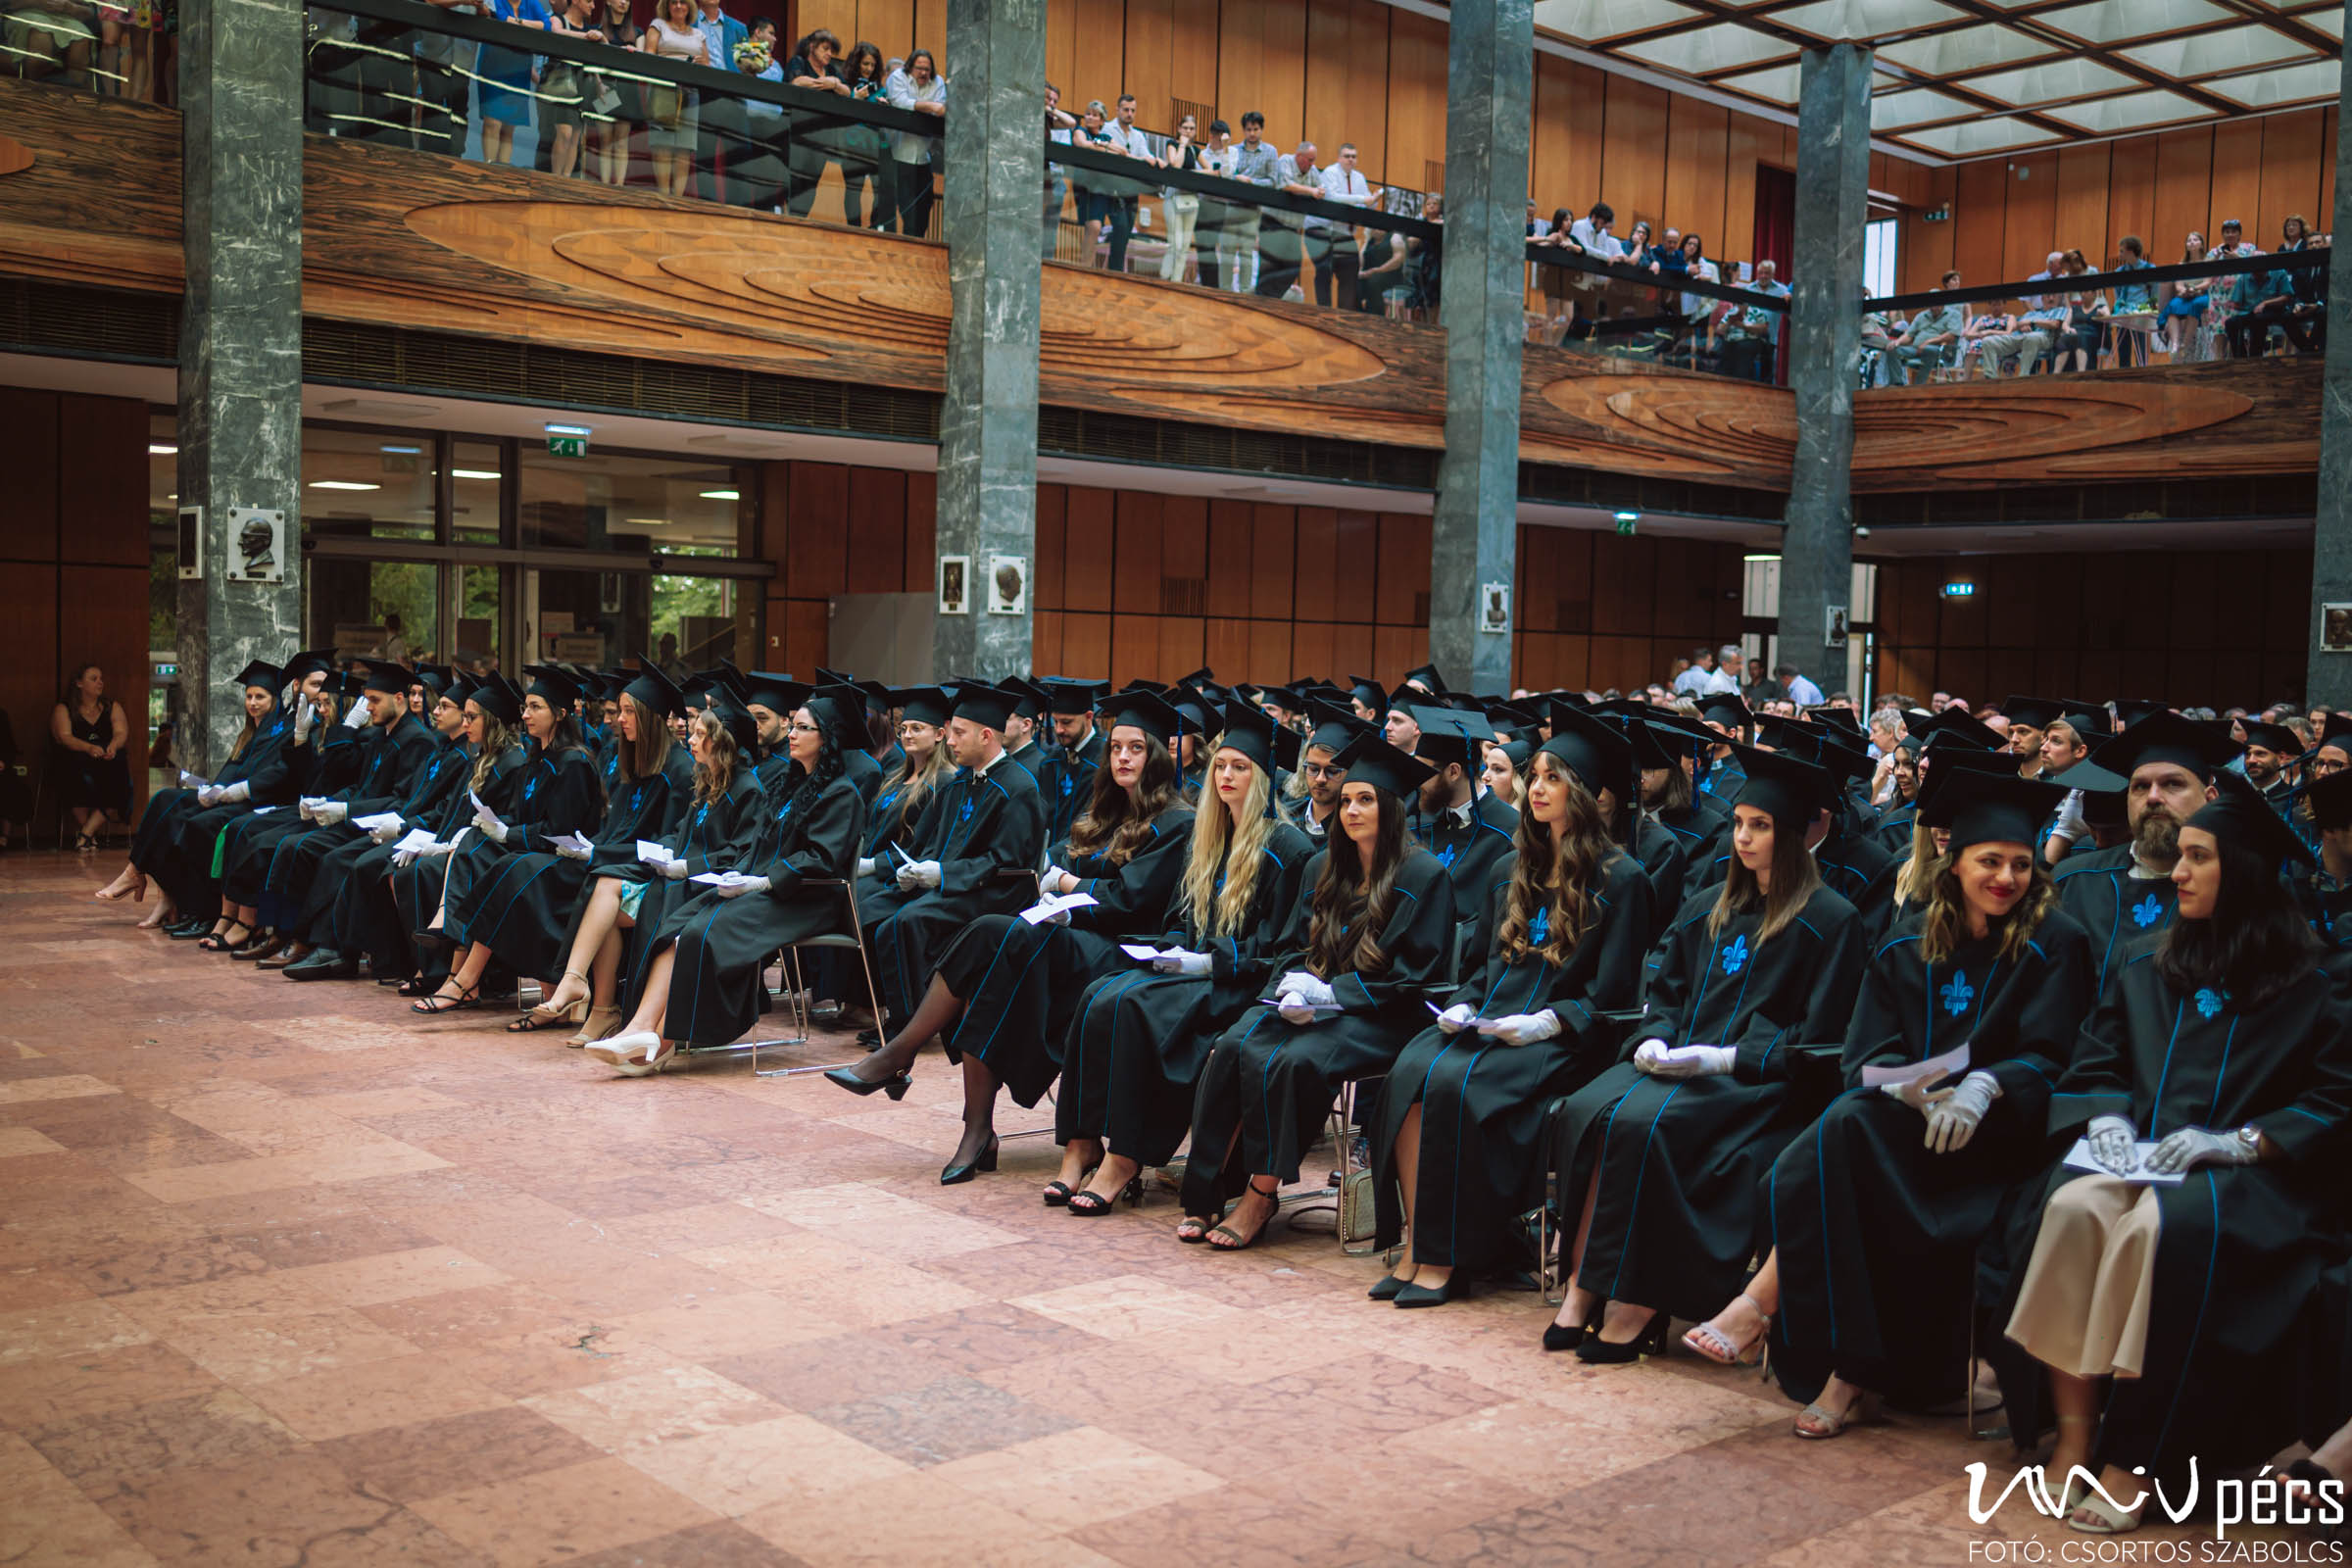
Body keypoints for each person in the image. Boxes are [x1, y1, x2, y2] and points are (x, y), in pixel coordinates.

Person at [1684, 770, 2092, 1436]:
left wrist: (1987, 1085)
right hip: (1909, 1128)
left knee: (1829, 1151)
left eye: (2021, 864)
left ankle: (1777, 1320)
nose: (2007, 878)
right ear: (1955, 863)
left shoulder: (2058, 943)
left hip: (1998, 1140)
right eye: (1990, 861)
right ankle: (1843, 1369)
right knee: (1849, 1129)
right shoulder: (1909, 940)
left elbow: (2056, 1053)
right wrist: (1908, 1089)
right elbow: (1863, 1058)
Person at [2001, 775, 2352, 1531]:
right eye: (2181, 856)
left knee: (2157, 1229)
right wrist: (2106, 1121)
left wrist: (2236, 1142)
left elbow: (2335, 1100)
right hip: (2144, 1158)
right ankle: (2075, 1435)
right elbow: (2097, 1062)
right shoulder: (2145, 962)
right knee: (2072, 1207)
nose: (2178, 872)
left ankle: (2140, 1458)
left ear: (2244, 872)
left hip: (2255, 1181)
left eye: (2199, 857)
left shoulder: (2317, 982)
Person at [1544, 747, 1865, 1359]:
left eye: (1760, 826)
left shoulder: (1832, 919)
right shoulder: (1709, 906)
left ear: (1792, 835)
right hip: (1681, 1068)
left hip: (1759, 1086)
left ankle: (1635, 1302)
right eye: (1738, 823)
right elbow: (1666, 992)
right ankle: (1585, 1282)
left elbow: (1822, 1037)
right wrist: (1655, 1037)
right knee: (1589, 1111)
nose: (1742, 837)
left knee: (1646, 1128)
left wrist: (1726, 1060)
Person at [825, 691, 1192, 1186]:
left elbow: (1129, 900)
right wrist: (1059, 882)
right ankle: (969, 1122)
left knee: (997, 938)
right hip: (1073, 936)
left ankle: (907, 1060)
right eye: (1116, 748)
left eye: (1136, 748)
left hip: (1123, 949)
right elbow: (1061, 855)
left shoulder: (1176, 823)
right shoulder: (1108, 811)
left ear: (1159, 757)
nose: (1123, 757)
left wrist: (1067, 884)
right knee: (989, 949)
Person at [1366, 719, 1652, 1305]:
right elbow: (1478, 965)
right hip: (1495, 1021)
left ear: (1584, 792)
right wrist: (1465, 1004)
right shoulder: (1510, 867)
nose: (1537, 788)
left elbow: (1617, 995)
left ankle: (1450, 1257)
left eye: (1553, 779)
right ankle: (1420, 1243)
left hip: (1567, 1041)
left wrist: (1549, 1022)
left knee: (1457, 1083)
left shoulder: (1622, 879)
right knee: (1409, 1072)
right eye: (1535, 777)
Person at [1178, 735, 1456, 1250]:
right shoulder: (1322, 866)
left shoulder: (1424, 874)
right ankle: (1208, 1187)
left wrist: (1332, 994)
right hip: (1313, 1005)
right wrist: (1291, 989)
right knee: (1233, 1046)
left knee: (1294, 1061)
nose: (1350, 810)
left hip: (1382, 1014)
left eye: (1365, 800)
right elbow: (1290, 947)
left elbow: (1414, 976)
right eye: (1346, 800)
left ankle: (1261, 1195)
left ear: (1391, 808)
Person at [1054, 701, 1315, 1213]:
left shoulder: (1289, 848)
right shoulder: (1208, 835)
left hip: (1238, 982)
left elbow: (1281, 949)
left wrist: (1208, 962)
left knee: (1133, 1006)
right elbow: (1179, 917)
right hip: (1193, 971)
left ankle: (1125, 1157)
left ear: (1263, 780)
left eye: (1240, 767)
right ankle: (1080, 1142)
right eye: (1221, 766)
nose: (1226, 776)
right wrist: (1170, 948)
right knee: (1099, 995)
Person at [586, 693, 865, 1073]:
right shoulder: (793, 784)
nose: (792, 734)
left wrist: (761, 882)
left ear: (827, 737)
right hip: (775, 893)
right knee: (679, 926)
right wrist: (739, 874)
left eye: (803, 728)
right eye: (793, 726)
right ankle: (639, 1028)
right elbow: (760, 846)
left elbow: (820, 860)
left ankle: (661, 1042)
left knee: (702, 934)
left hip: (809, 900)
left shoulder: (841, 793)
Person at [411, 663, 670, 1013]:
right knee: (476, 844)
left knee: (513, 870)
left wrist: (509, 833)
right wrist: (494, 827)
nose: (526, 715)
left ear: (560, 714)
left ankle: (465, 976)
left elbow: (557, 830)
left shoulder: (573, 763)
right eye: (525, 707)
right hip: (546, 855)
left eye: (536, 707)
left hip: (568, 861)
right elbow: (523, 819)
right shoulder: (535, 760)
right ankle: (460, 963)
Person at [526, 695, 763, 1048]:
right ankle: (590, 995)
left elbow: (740, 853)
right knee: (605, 883)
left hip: (702, 887)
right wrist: (663, 850)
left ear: (722, 742)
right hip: (675, 879)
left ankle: (595, 998)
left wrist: (686, 866)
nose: (690, 740)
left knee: (608, 897)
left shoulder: (747, 789)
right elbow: (680, 832)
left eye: (700, 735)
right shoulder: (708, 781)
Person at [851, 683, 1048, 1042]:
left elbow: (1006, 861)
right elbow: (933, 843)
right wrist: (915, 869)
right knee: (875, 909)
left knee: (907, 921)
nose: (951, 741)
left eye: (959, 733)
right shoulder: (958, 783)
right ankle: (897, 1014)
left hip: (995, 892)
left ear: (986, 736)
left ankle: (911, 1028)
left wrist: (942, 874)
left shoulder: (1019, 788)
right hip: (951, 884)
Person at [94, 660, 290, 922]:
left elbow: (273, 775)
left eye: (260, 697)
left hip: (250, 800)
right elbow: (232, 767)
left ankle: (163, 893)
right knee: (164, 798)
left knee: (182, 820)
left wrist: (231, 791)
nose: (253, 702)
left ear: (274, 700)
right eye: (249, 696)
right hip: (225, 795)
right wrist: (214, 788)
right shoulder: (249, 733)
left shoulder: (281, 731)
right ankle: (136, 871)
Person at [2054, 712, 2233, 998]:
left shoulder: (2240, 888)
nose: (2152, 797)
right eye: (2140, 786)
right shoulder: (2073, 881)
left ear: (2210, 799)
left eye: (2173, 784)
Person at [51, 662, 133, 851]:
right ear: (79, 683)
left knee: (119, 777)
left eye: (101, 679)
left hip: (106, 758)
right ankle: (88, 834)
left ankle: (86, 833)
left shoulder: (112, 706)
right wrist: (88, 748)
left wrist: (113, 746)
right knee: (71, 775)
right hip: (77, 757)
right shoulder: (64, 708)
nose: (100, 682)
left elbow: (121, 732)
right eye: (94, 679)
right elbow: (65, 737)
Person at [639, 0, 708, 199]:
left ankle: (677, 199)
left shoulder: (699, 34)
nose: (678, 6)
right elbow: (649, 55)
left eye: (683, 2)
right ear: (666, 6)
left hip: (690, 92)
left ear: (690, 7)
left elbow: (707, 64)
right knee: (663, 144)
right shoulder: (658, 25)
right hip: (664, 89)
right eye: (673, 2)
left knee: (685, 147)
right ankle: (663, 196)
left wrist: (701, 64)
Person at [877, 47, 943, 235]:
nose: (923, 73)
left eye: (927, 69)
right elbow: (901, 103)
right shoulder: (897, 77)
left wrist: (926, 108)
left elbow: (941, 109)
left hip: (923, 158)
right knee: (905, 210)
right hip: (898, 155)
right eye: (919, 68)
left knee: (924, 209)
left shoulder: (937, 81)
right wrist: (930, 106)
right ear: (910, 67)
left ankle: (917, 243)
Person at [1156, 113, 1202, 283]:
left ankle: (1176, 281)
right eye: (1185, 128)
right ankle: (1164, 277)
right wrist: (1182, 145)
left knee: (1185, 245)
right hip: (1173, 197)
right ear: (1179, 129)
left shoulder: (1195, 150)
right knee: (1175, 242)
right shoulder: (1172, 144)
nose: (1188, 131)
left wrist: (1193, 173)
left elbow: (1212, 170)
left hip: (1190, 198)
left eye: (1192, 128)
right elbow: (1176, 165)